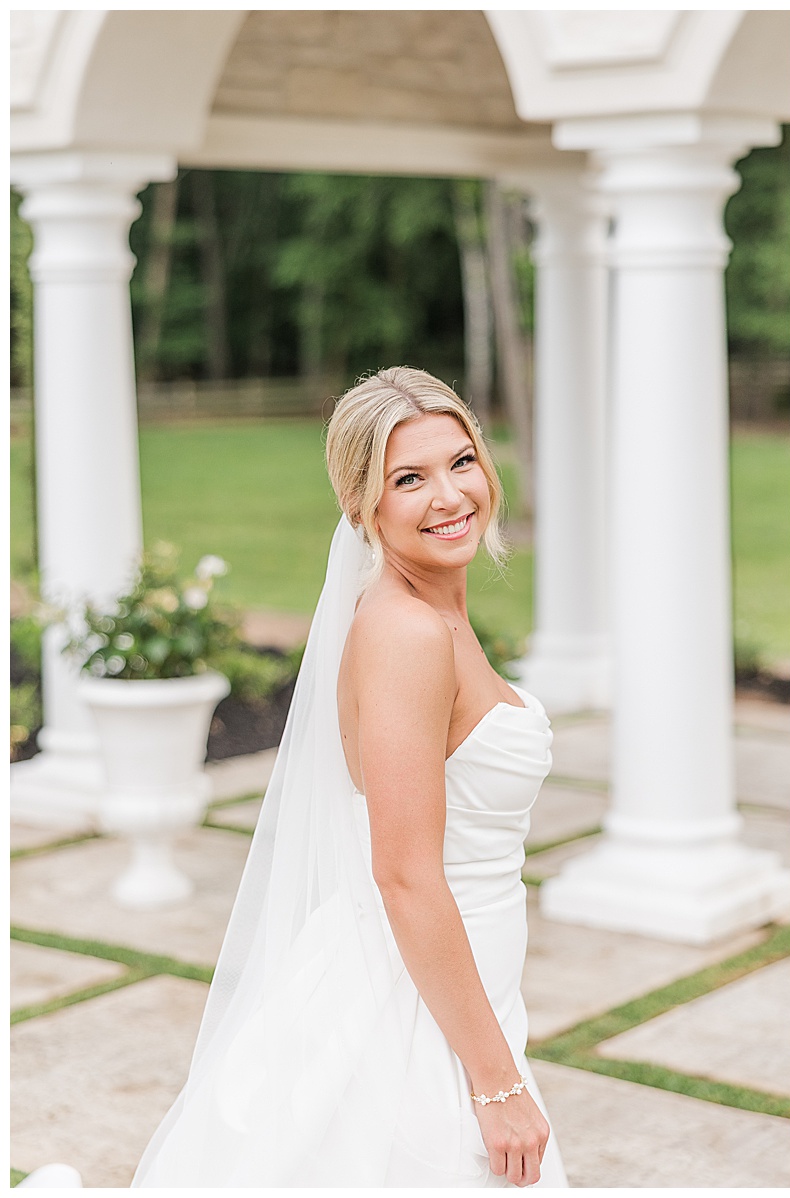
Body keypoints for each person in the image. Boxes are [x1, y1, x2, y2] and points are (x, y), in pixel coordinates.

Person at [135, 368, 566, 1187]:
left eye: (461, 461)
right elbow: (404, 876)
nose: (449, 495)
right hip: (413, 1001)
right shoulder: (406, 633)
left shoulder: (430, 612)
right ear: (363, 505)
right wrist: (497, 1079)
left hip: (459, 976)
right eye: (410, 478)